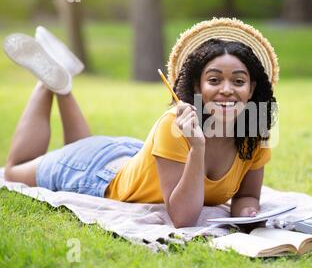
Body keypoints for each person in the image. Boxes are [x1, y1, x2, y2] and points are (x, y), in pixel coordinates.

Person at [3, 18, 279, 228]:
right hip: (97, 174)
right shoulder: (175, 125)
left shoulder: (254, 132)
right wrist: (197, 148)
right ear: (197, 86)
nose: (227, 90)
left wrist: (248, 215)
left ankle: (62, 80)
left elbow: (248, 196)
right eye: (215, 80)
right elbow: (183, 218)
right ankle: (47, 84)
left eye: (238, 81)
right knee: (14, 171)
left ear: (252, 88)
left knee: (78, 147)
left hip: (125, 155)